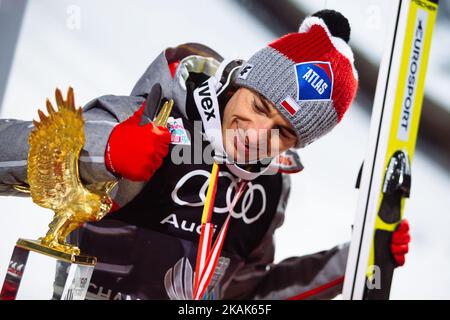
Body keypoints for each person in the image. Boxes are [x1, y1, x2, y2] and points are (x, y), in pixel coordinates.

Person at [0, 10, 410, 300]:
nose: (256, 135)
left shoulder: (269, 187)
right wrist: (105, 152)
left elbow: (244, 296)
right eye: (260, 107)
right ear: (240, 82)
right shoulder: (151, 119)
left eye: (283, 133)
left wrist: (353, 264)